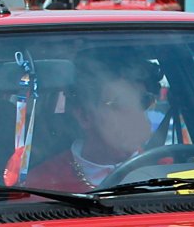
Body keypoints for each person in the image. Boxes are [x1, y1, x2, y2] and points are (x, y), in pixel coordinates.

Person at [23, 54, 161, 192]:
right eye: (120, 104)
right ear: (84, 116)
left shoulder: (165, 170)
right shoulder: (42, 182)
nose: (137, 115)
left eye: (143, 102)